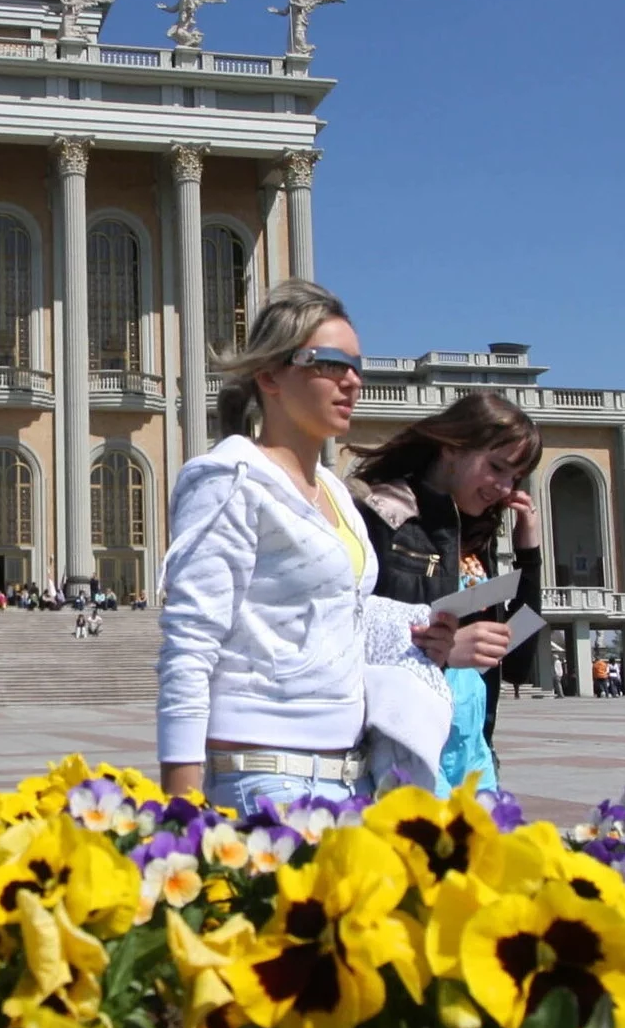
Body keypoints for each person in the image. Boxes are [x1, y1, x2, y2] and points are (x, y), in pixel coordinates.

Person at [158, 281, 452, 809]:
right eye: (331, 363)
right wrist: (179, 809)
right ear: (270, 374)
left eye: (358, 366)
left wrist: (427, 627)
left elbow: (344, 612)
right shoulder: (229, 479)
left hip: (349, 775)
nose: (352, 381)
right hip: (263, 779)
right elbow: (190, 644)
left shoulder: (336, 492)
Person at [352, 390, 545, 791]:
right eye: (496, 467)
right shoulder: (385, 516)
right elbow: (353, 632)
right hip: (407, 752)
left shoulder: (472, 537)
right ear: (452, 449)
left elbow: (517, 661)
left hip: (475, 757)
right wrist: (442, 653)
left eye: (514, 477)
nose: (505, 487)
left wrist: (530, 557)